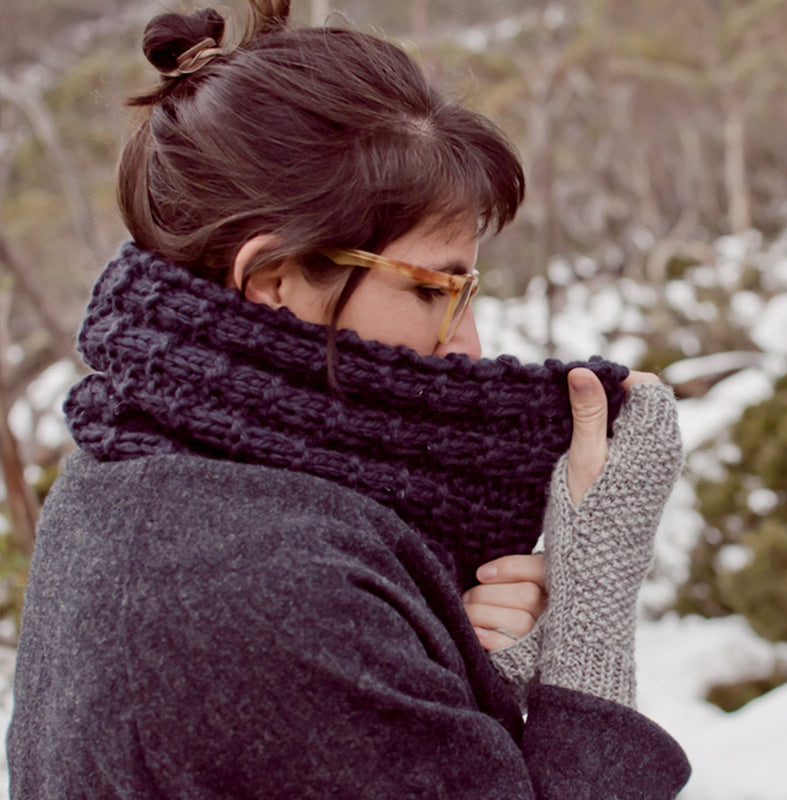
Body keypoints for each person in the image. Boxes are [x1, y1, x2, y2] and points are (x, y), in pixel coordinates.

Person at [7, 1, 690, 797]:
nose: (467, 342)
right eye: (436, 290)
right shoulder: (267, 588)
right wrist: (593, 623)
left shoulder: (138, 479)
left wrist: (461, 674)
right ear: (273, 279)